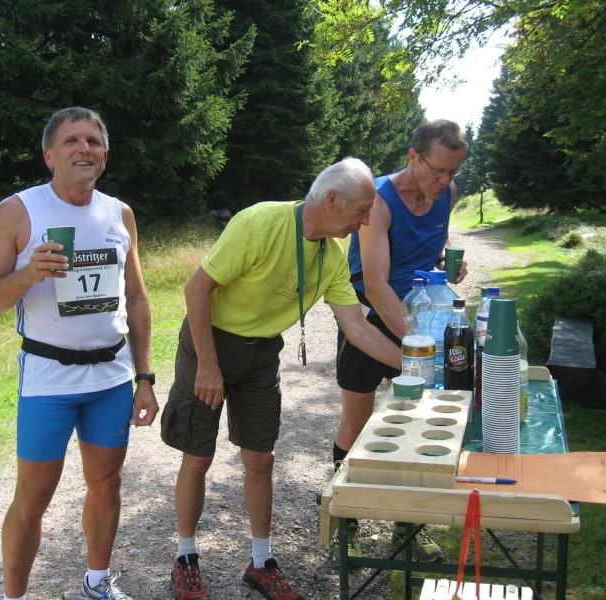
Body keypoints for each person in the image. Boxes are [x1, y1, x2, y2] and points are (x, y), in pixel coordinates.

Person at [161, 157, 407, 600]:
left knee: (261, 459)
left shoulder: (332, 256)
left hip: (261, 355)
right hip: (210, 342)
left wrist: (412, 365)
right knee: (197, 456)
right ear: (331, 200)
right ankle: (185, 557)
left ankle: (261, 562)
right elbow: (196, 288)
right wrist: (208, 365)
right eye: (361, 210)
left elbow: (357, 327)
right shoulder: (260, 223)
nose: (366, 221)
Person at [0, 107, 158, 600]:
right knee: (33, 498)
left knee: (107, 484)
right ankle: (14, 596)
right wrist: (27, 275)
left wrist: (145, 377)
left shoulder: (120, 214)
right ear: (49, 156)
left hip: (111, 377)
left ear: (105, 156)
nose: (84, 149)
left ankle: (97, 583)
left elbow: (136, 298)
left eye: (93, 141)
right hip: (48, 378)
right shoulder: (19, 212)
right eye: (72, 140)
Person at [333, 120, 469, 562]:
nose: (444, 181)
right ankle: (346, 526)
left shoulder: (447, 193)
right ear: (413, 156)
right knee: (357, 423)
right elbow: (375, 285)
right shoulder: (380, 201)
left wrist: (445, 266)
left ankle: (408, 530)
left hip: (420, 317)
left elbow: (431, 247)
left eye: (453, 172)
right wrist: (419, 346)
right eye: (437, 170)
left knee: (419, 422)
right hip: (371, 320)